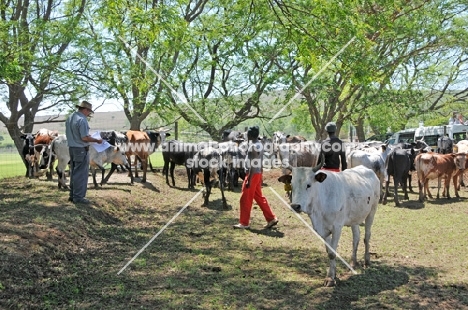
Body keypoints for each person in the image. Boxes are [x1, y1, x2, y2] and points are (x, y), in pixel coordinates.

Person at [234, 126, 278, 229]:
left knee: (245, 198)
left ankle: (244, 223)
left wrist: (249, 179)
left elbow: (253, 164)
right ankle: (271, 218)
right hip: (258, 173)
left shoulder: (253, 146)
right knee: (258, 197)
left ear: (250, 135)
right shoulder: (260, 144)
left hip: (252, 174)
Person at [65, 101, 103, 204]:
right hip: (81, 149)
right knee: (81, 174)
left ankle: (72, 195)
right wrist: (97, 140)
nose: (88, 114)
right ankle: (78, 197)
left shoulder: (70, 117)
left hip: (72, 148)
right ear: (85, 110)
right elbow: (84, 137)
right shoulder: (82, 120)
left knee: (74, 172)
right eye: (89, 112)